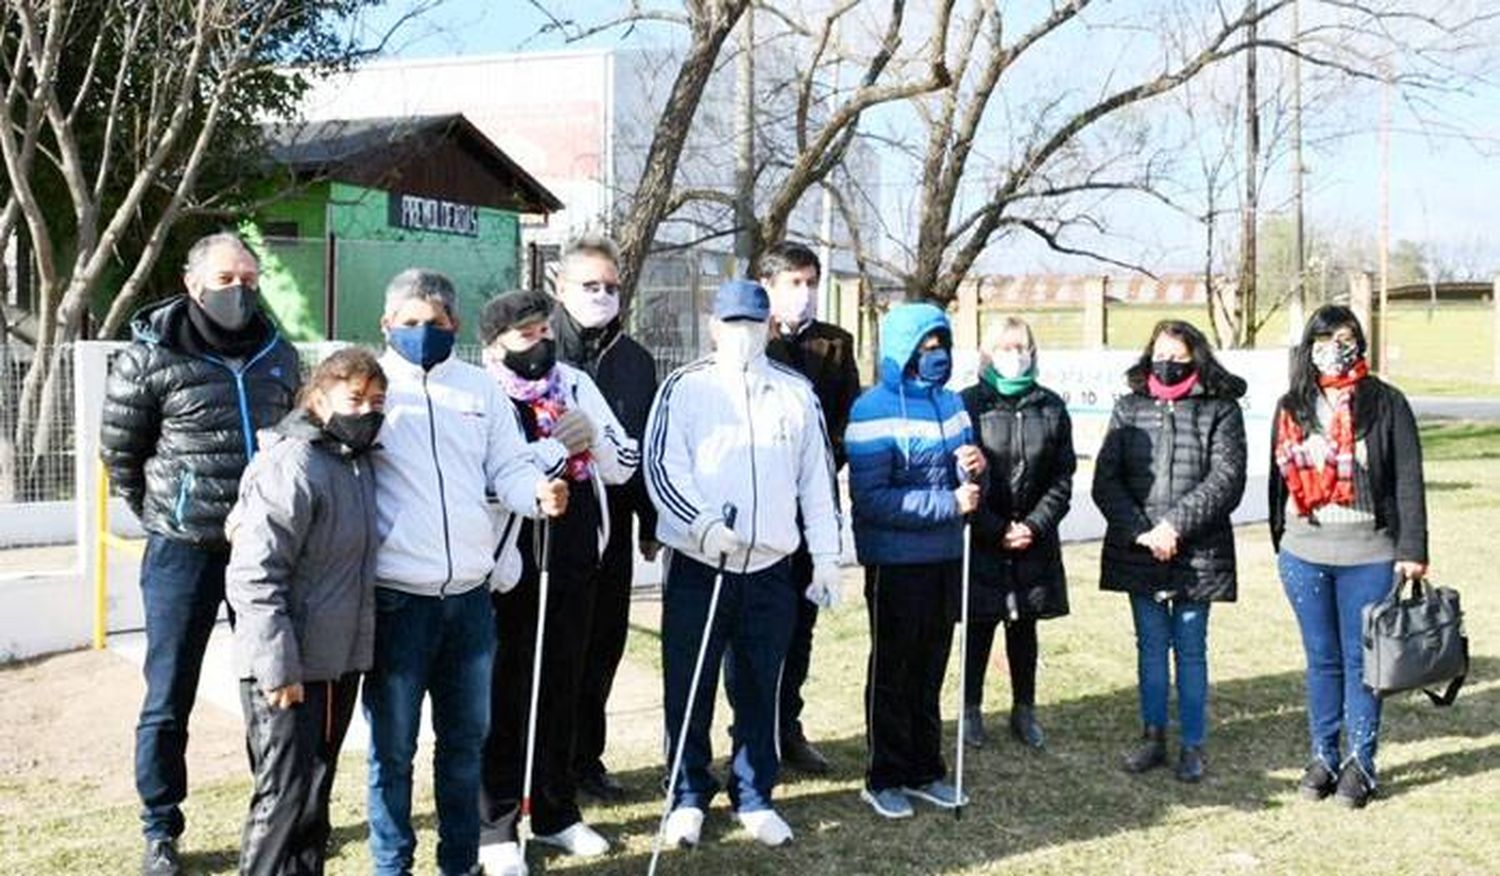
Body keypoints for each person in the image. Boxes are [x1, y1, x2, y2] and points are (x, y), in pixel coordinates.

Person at [100, 232, 300, 876]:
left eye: (248, 277)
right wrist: (173, 513)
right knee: (168, 693)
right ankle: (160, 827)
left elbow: (294, 441)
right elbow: (122, 456)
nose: (238, 290)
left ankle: (275, 817)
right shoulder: (147, 358)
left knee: (271, 687)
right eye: (224, 279)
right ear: (193, 285)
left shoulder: (279, 354)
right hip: (182, 551)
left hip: (263, 555)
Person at [363, 269, 569, 876]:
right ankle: (392, 865)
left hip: (471, 602)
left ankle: (460, 864)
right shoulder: (371, 390)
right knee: (392, 751)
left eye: (436, 323)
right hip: (399, 600)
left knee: (462, 748)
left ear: (455, 325)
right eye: (410, 323)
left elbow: (505, 468)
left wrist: (537, 492)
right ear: (387, 324)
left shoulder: (481, 390)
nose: (424, 333)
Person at [644, 279, 842, 850]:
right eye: (732, 324)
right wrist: (702, 525)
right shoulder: (684, 387)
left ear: (768, 328)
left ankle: (755, 793)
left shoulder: (796, 392)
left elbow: (816, 482)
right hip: (701, 562)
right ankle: (686, 794)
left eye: (754, 324)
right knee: (691, 683)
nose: (743, 335)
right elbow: (662, 469)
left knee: (760, 685)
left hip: (771, 567)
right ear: (713, 326)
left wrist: (826, 556)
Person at [476, 289, 640, 875]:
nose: (541, 344)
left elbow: (624, 463)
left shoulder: (573, 382)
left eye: (545, 332)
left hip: (574, 556)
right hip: (510, 563)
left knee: (564, 685)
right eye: (526, 336)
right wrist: (553, 449)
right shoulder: (481, 393)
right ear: (495, 344)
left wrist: (591, 434)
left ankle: (556, 811)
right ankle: (495, 824)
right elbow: (485, 480)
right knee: (506, 692)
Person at [224, 348, 386, 875]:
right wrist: (278, 667)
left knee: (315, 793)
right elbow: (254, 574)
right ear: (319, 399)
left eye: (377, 401)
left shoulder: (354, 462)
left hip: (336, 664)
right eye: (354, 399)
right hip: (289, 667)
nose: (366, 410)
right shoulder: (292, 463)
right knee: (283, 796)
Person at [1270, 305, 1428, 809]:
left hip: (1369, 553)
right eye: (1325, 337)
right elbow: (1278, 480)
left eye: (1346, 337)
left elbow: (1407, 479)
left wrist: (1412, 550)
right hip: (1305, 552)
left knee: (1362, 662)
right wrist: (1280, 538)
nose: (1336, 346)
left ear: (1359, 343)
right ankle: (1323, 757)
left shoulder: (1386, 403)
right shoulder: (1291, 406)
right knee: (1322, 660)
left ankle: (1360, 763)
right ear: (1309, 345)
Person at [721, 240, 860, 775]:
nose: (803, 293)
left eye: (810, 283)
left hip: (813, 504)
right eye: (793, 283)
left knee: (800, 623)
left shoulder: (836, 345)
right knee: (751, 626)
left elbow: (845, 421)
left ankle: (788, 724)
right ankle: (747, 731)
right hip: (758, 506)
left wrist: (820, 469)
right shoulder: (750, 340)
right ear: (768, 285)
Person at [846, 302, 987, 821]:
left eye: (943, 346)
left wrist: (978, 468)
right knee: (894, 669)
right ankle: (883, 775)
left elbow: (970, 484)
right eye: (926, 349)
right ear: (902, 351)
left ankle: (925, 769)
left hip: (946, 556)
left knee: (930, 669)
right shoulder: (871, 409)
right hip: (895, 563)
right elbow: (872, 499)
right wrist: (946, 504)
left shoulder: (953, 404)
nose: (937, 357)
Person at [1092, 319, 1247, 784]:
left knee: (1191, 648)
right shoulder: (1128, 407)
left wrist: (1175, 526)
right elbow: (1106, 480)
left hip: (1197, 550)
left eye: (1180, 358)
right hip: (1140, 549)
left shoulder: (1221, 410)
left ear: (1195, 360)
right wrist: (1144, 531)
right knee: (1151, 647)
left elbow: (1226, 479)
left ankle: (1192, 744)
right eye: (1162, 354)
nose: (1169, 364)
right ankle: (1153, 736)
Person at [547, 234, 660, 802]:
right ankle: (542, 762)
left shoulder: (636, 362)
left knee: (603, 644)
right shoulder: (540, 349)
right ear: (560, 287)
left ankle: (586, 759)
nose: (601, 295)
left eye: (611, 287)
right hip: (547, 525)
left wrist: (650, 519)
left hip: (611, 526)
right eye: (589, 285)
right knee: (551, 647)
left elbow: (643, 447)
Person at [958, 317, 1075, 751]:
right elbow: (960, 472)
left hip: (1034, 538)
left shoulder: (1051, 406)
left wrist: (1032, 526)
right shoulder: (967, 405)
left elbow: (1062, 478)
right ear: (988, 353)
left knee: (1024, 626)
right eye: (1005, 348)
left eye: (1021, 347)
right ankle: (970, 708)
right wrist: (994, 528)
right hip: (985, 536)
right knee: (980, 623)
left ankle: (1024, 708)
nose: (1015, 355)